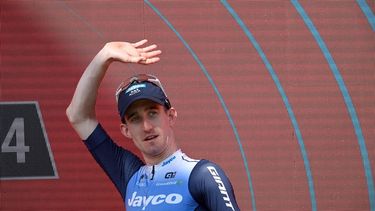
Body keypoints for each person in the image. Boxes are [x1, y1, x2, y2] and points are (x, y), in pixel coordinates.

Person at [66, 39, 240, 211]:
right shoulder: (128, 174)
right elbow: (78, 116)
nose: (146, 126)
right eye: (135, 119)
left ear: (170, 116)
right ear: (125, 130)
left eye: (152, 113)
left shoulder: (202, 175)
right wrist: (104, 55)